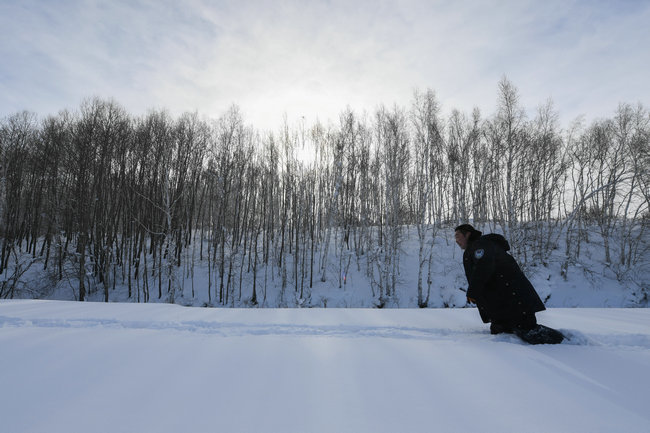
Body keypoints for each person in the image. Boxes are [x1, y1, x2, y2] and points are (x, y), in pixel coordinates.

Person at [454, 223, 563, 344]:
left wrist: (473, 291)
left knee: (527, 330)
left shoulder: (480, 246)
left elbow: (484, 267)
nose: (456, 240)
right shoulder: (477, 247)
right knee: (500, 331)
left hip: (514, 297)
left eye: (458, 236)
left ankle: (563, 342)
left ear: (467, 234)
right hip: (503, 301)